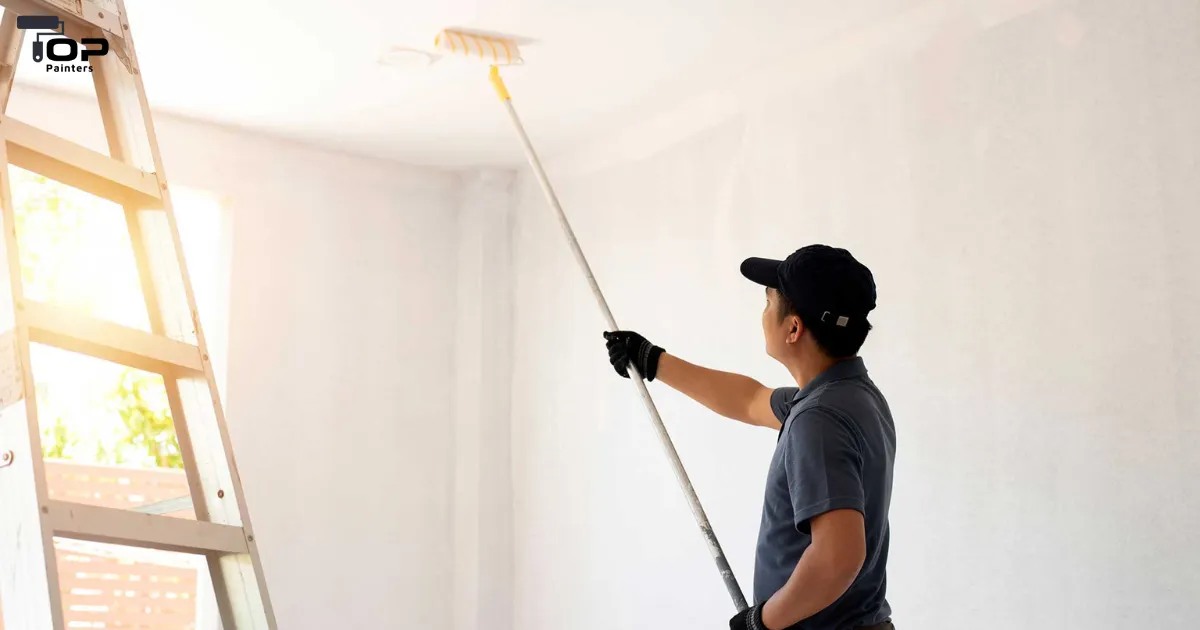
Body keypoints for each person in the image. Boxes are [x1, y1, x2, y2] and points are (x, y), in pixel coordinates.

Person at [602, 244, 896, 630]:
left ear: (793, 328)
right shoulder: (852, 395)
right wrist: (652, 359)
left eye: (768, 302)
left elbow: (838, 557)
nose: (762, 315)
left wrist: (763, 622)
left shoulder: (819, 419)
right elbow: (750, 400)